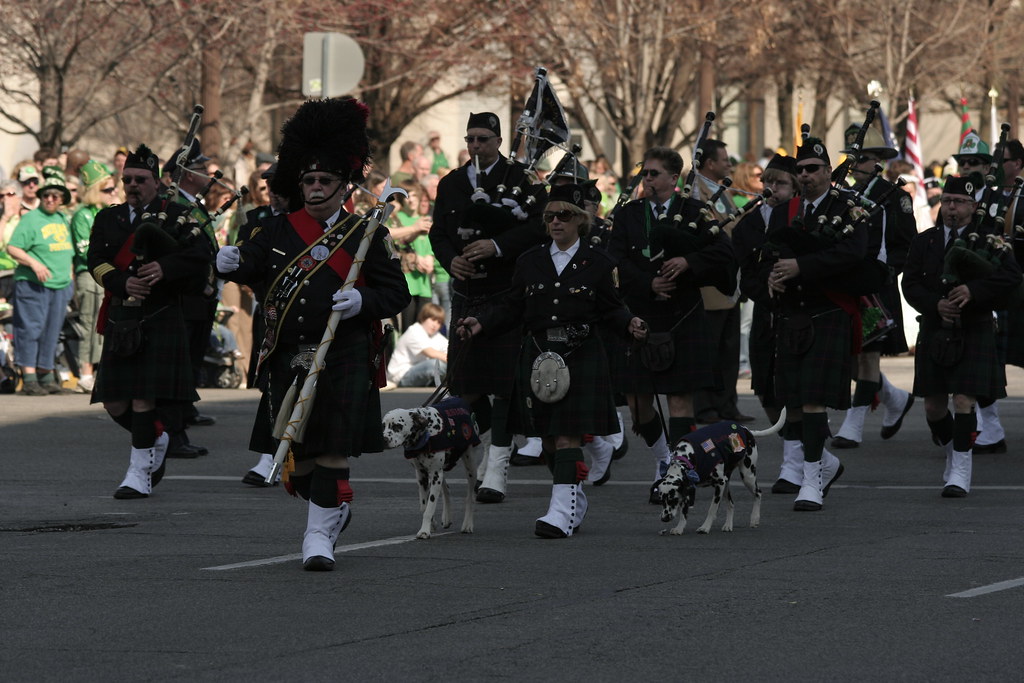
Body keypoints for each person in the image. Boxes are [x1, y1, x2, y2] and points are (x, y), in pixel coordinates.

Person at [217, 97, 409, 571]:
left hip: (342, 353)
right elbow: (254, 264)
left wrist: (364, 301)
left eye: (325, 180)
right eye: (308, 180)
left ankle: (317, 536)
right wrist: (230, 262)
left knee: (329, 449)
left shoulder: (366, 233)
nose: (316, 187)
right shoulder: (277, 229)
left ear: (344, 185)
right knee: (300, 461)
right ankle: (330, 505)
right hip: (288, 352)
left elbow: (397, 294)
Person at [459, 184, 647, 537]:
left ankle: (560, 512)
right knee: (547, 439)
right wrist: (480, 322)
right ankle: (573, 496)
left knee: (566, 438)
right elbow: (512, 305)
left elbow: (611, 308)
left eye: (563, 215)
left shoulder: (599, 261)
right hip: (539, 356)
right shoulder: (530, 260)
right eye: (549, 217)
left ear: (580, 220)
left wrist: (631, 323)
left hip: (581, 354)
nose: (555, 222)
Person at [429, 111, 547, 504]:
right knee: (466, 383)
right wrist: (451, 260)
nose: (476, 146)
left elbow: (537, 227)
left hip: (506, 291)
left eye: (483, 139)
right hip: (466, 290)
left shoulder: (520, 179)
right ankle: (466, 444)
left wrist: (497, 247)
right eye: (470, 139)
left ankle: (496, 467)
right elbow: (438, 232)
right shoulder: (451, 183)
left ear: (498, 140)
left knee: (502, 385)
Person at [607, 146, 735, 503]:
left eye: (653, 173)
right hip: (641, 315)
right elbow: (613, 259)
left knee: (680, 399)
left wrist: (688, 261)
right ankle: (664, 458)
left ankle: (680, 471)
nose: (646, 180)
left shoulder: (695, 211)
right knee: (638, 404)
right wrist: (647, 283)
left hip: (683, 316)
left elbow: (724, 254)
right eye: (644, 173)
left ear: (673, 177)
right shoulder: (630, 215)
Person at [87, 144, 210, 499]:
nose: (132, 185)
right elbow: (95, 259)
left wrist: (164, 268)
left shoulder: (177, 215)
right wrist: (123, 281)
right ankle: (157, 435)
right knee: (114, 402)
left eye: (140, 179)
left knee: (143, 398)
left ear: (156, 182)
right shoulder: (107, 219)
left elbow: (201, 257)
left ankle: (138, 472)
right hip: (122, 316)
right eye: (127, 179)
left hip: (159, 315)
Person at [901, 175, 1022, 497]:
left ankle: (961, 468)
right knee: (934, 408)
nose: (951, 208)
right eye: (947, 201)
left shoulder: (988, 239)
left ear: (973, 206)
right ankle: (954, 450)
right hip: (935, 328)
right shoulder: (924, 241)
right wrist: (935, 305)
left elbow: (1011, 276)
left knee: (964, 399)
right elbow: (910, 283)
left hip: (974, 326)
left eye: (959, 202)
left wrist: (974, 290)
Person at [763, 137, 864, 512]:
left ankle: (811, 480)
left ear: (827, 171)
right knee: (796, 400)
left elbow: (853, 253)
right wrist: (770, 279)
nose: (805, 176)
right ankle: (824, 464)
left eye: (813, 169)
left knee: (813, 397)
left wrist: (803, 267)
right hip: (793, 313)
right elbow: (768, 254)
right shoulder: (783, 211)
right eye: (800, 170)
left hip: (829, 311)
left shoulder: (848, 207)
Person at [831, 127, 917, 450]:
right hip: (848, 284)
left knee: (868, 356)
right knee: (852, 360)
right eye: (853, 158)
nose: (855, 165)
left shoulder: (896, 196)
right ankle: (895, 398)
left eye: (863, 159)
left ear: (880, 160)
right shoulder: (844, 194)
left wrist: (880, 268)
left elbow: (907, 246)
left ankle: (853, 425)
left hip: (877, 284)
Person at [732, 153, 805, 493]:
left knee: (794, 387)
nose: (772, 188)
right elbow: (744, 274)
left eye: (781, 183)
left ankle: (795, 463)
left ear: (795, 187)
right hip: (765, 311)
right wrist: (764, 287)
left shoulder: (802, 217)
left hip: (798, 310)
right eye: (769, 182)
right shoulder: (749, 223)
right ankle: (803, 453)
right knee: (764, 384)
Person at [691, 138, 750, 425]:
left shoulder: (721, 191)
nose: (729, 163)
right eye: (724, 158)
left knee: (728, 350)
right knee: (708, 350)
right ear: (710, 163)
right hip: (709, 283)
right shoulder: (696, 191)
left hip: (729, 282)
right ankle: (704, 408)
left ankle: (728, 405)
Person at [6, 167, 76, 395]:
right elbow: (13, 247)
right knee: (30, 329)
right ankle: (29, 377)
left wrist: (70, 277)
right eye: (46, 195)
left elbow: (68, 251)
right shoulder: (31, 219)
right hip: (33, 284)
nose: (49, 199)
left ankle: (46, 375)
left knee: (52, 331)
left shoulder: (62, 218)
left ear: (62, 199)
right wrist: (34, 264)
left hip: (60, 284)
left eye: (55, 195)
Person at [70, 160, 118, 393]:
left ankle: (100, 371)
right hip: (88, 275)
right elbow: (84, 249)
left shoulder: (109, 213)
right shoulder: (82, 215)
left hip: (108, 273)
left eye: (112, 188)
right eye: (107, 189)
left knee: (104, 325)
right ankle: (85, 373)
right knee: (89, 324)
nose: (113, 192)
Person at [386, 302, 448, 387]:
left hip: (418, 372)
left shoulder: (437, 336)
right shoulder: (414, 331)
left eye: (439, 322)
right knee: (435, 365)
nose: (435, 325)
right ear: (423, 318)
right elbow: (431, 353)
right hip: (400, 376)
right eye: (433, 320)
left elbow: (448, 352)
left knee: (442, 365)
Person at [0, 180, 23, 303]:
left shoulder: (27, 216)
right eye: (1, 196)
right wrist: (4, 218)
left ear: (19, 197)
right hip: (3, 275)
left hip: (23, 273)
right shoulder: (1, 218)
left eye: (9, 194)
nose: (5, 198)